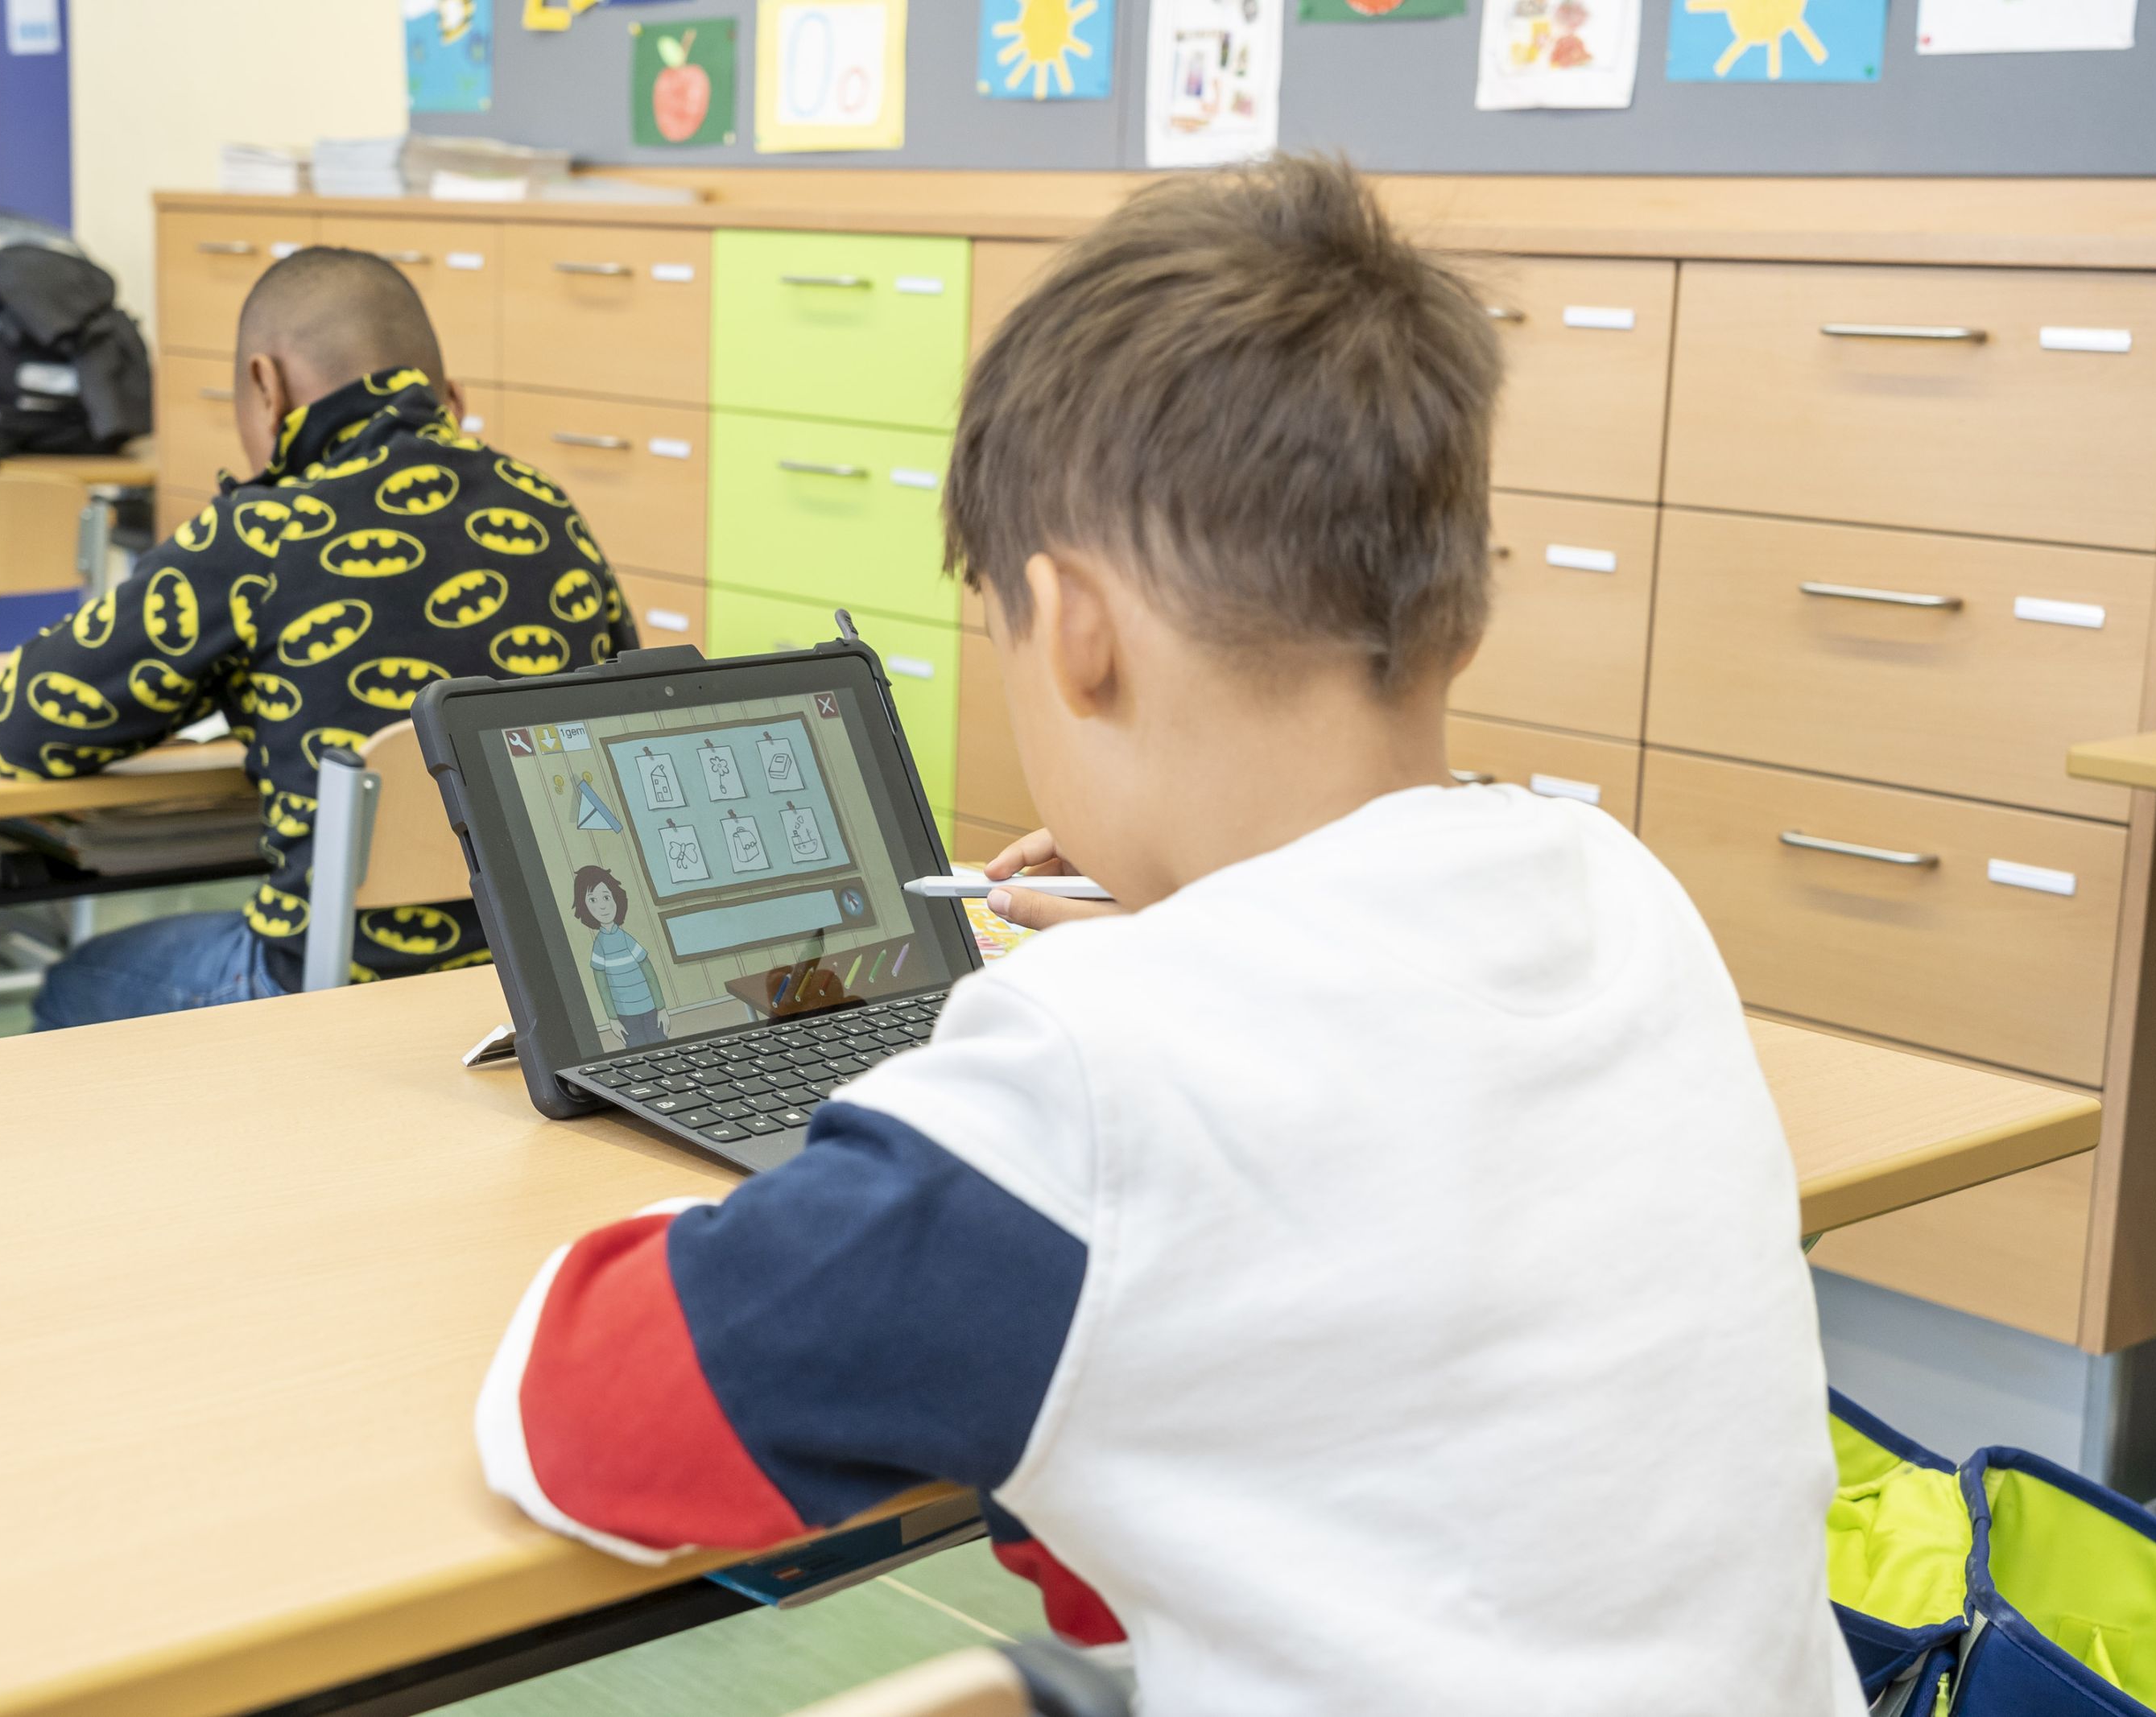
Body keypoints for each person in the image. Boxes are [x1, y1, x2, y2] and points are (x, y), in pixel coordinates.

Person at [470, 158, 1861, 1715]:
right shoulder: (1622, 896)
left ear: (1072, 629)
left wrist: (1022, 1061)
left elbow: (579, 1417)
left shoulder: (1094, 1074)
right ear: (1461, 607)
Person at [0, 247, 634, 1028]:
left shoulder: (263, 532)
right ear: (443, 395)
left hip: (330, 987)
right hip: (545, 985)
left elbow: (23, 730)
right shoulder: (546, 508)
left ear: (267, 385)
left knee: (79, 981)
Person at [572, 865, 665, 1046]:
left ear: (616, 899)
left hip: (650, 1009)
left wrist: (661, 1008)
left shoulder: (627, 939)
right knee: (637, 1053)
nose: (602, 906)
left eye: (606, 897)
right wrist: (612, 1019)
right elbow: (603, 986)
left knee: (662, 1046)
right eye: (592, 900)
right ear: (585, 907)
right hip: (625, 1015)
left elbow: (650, 974)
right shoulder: (599, 946)